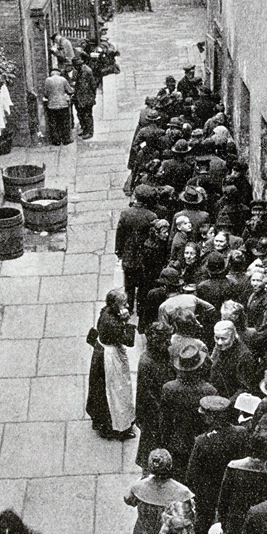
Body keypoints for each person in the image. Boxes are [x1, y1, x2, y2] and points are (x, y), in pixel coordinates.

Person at [185, 395, 252, 534]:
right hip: (233, 487)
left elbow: (191, 474)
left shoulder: (202, 441)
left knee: (203, 521)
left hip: (208, 491)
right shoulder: (241, 433)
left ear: (210, 418)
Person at [162, 342, 219, 481]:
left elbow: (164, 421)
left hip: (177, 442)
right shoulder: (209, 390)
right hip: (200, 444)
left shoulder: (169, 388)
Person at [86, 288, 137, 440]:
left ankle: (102, 422)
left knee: (103, 390)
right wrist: (128, 322)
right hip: (110, 359)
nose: (126, 307)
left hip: (103, 353)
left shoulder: (105, 312)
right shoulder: (112, 323)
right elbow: (129, 341)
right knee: (115, 391)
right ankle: (117, 427)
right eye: (123, 304)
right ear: (114, 305)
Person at [135, 323, 176, 470]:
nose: (169, 343)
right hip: (155, 417)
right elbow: (147, 396)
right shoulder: (146, 362)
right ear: (156, 341)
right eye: (166, 340)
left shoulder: (162, 354)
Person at [116, 184, 159, 312]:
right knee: (143, 284)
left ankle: (128, 307)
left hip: (129, 254)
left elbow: (120, 235)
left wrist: (119, 253)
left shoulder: (125, 214)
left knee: (129, 285)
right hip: (144, 257)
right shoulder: (151, 216)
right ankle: (140, 308)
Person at [210, 320, 250, 398]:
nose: (219, 342)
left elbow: (245, 388)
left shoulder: (244, 356)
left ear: (233, 336)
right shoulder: (220, 346)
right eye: (217, 338)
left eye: (224, 339)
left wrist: (226, 404)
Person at [42, 67, 74, 145]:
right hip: (63, 104)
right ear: (58, 73)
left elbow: (45, 93)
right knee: (64, 123)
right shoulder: (63, 79)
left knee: (54, 123)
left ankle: (56, 141)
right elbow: (70, 90)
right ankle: (66, 139)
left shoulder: (48, 80)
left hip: (52, 105)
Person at [71, 53, 98, 139]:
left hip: (86, 98)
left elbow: (91, 85)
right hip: (80, 98)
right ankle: (85, 129)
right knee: (81, 114)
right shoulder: (80, 71)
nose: (75, 67)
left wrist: (92, 96)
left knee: (87, 115)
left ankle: (89, 132)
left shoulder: (86, 71)